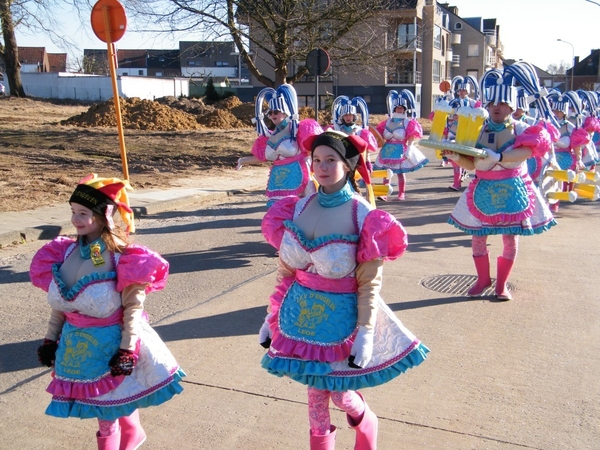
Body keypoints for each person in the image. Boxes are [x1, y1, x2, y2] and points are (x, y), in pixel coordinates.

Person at [259, 130, 429, 449]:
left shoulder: (361, 213)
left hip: (342, 320)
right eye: (317, 160)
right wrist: (272, 316)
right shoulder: (299, 207)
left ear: (347, 164)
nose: (322, 167)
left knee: (339, 394)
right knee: (314, 398)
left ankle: (366, 420)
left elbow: (369, 281)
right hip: (301, 320)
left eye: (331, 160)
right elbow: (287, 270)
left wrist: (365, 332)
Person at [29, 174, 185, 450]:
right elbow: (62, 304)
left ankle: (126, 437)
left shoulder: (123, 258)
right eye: (73, 212)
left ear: (103, 215)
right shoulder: (63, 253)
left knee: (105, 412)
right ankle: (133, 431)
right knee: (110, 404)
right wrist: (50, 339)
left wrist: (126, 350)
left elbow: (133, 308)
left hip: (111, 345)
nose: (76, 219)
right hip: (77, 348)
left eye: (83, 213)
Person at [444, 62, 557, 301]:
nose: (496, 107)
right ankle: (482, 280)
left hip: (513, 190)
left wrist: (500, 156)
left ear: (512, 106)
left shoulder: (524, 128)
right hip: (482, 189)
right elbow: (472, 164)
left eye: (502, 103)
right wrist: (456, 156)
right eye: (493, 103)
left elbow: (527, 152)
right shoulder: (476, 130)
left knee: (510, 238)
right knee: (477, 238)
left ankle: (501, 285)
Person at [236, 84, 319, 207]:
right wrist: (242, 161)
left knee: (307, 211)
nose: (273, 114)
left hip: (301, 176)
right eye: (270, 112)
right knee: (277, 211)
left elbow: (315, 150)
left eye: (276, 111)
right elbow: (262, 158)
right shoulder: (267, 136)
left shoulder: (298, 129)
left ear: (285, 112)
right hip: (279, 180)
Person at [373, 89, 428, 200]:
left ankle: (401, 193)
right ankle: (384, 193)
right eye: (397, 108)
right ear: (394, 108)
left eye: (401, 108)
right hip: (387, 150)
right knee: (386, 173)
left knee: (400, 173)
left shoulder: (408, 122)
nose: (399, 110)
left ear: (404, 109)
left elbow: (411, 136)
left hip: (400, 150)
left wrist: (410, 148)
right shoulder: (387, 122)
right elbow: (379, 135)